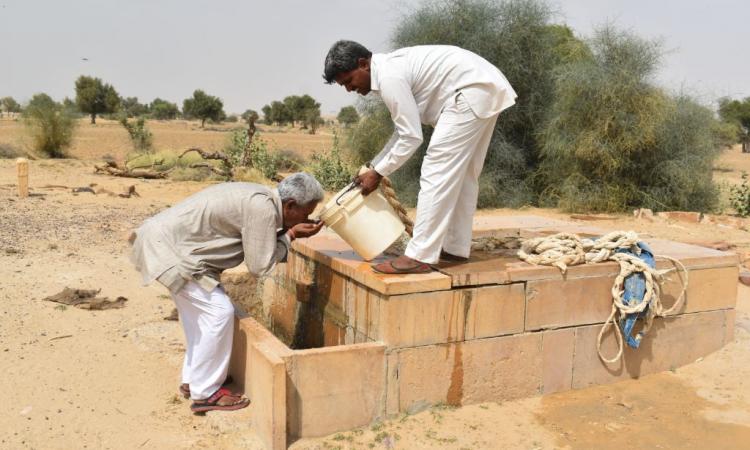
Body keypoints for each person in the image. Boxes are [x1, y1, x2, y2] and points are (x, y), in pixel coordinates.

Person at [130, 173, 324, 412]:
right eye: (305, 214)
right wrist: (291, 236)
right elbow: (259, 265)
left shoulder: (261, 199)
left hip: (165, 243)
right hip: (172, 252)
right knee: (220, 312)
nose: (305, 218)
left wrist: (289, 232)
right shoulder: (262, 208)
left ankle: (194, 380)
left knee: (199, 318)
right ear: (291, 205)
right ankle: (206, 393)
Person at [323, 40, 517, 274]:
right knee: (464, 175)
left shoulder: (389, 77)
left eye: (349, 81)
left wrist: (378, 172)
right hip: (483, 87)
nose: (349, 89)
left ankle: (419, 256)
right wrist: (374, 166)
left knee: (436, 171)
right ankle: (455, 247)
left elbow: (411, 137)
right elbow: (402, 131)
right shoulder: (388, 71)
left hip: (471, 90)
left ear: (363, 64)